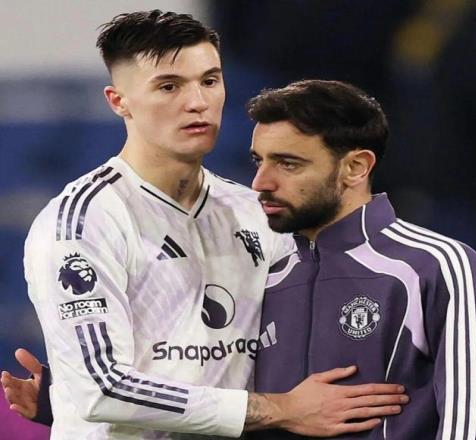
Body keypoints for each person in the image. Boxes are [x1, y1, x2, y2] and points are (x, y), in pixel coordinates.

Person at [0, 11, 409, 440]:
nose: (197, 102)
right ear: (119, 101)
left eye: (210, 81)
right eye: (169, 86)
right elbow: (103, 389)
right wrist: (279, 409)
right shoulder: (83, 222)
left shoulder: (255, 212)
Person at [246, 79, 476, 439]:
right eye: (258, 160)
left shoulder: (440, 268)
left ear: (356, 167)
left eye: (288, 164)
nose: (260, 182)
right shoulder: (252, 273)